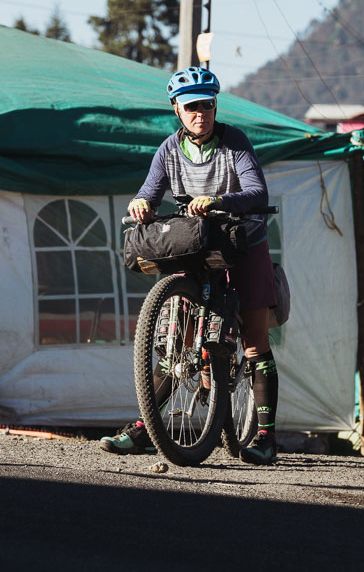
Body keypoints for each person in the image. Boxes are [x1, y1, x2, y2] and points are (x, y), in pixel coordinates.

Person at [100, 66, 280, 466]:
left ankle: (266, 437)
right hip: (198, 243)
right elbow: (150, 190)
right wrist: (142, 203)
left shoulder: (235, 142)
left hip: (244, 242)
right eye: (192, 107)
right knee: (174, 345)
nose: (201, 113)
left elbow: (256, 191)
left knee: (254, 342)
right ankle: (148, 428)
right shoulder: (168, 149)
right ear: (176, 111)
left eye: (207, 105)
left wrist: (218, 201)